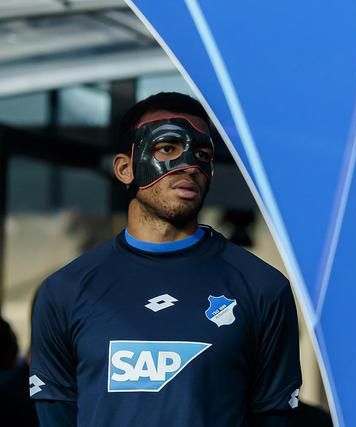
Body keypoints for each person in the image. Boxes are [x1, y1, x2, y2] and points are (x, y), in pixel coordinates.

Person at [29, 92, 302, 427]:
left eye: (202, 154)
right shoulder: (65, 291)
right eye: (167, 148)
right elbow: (56, 417)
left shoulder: (262, 288)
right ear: (125, 168)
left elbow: (274, 418)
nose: (189, 165)